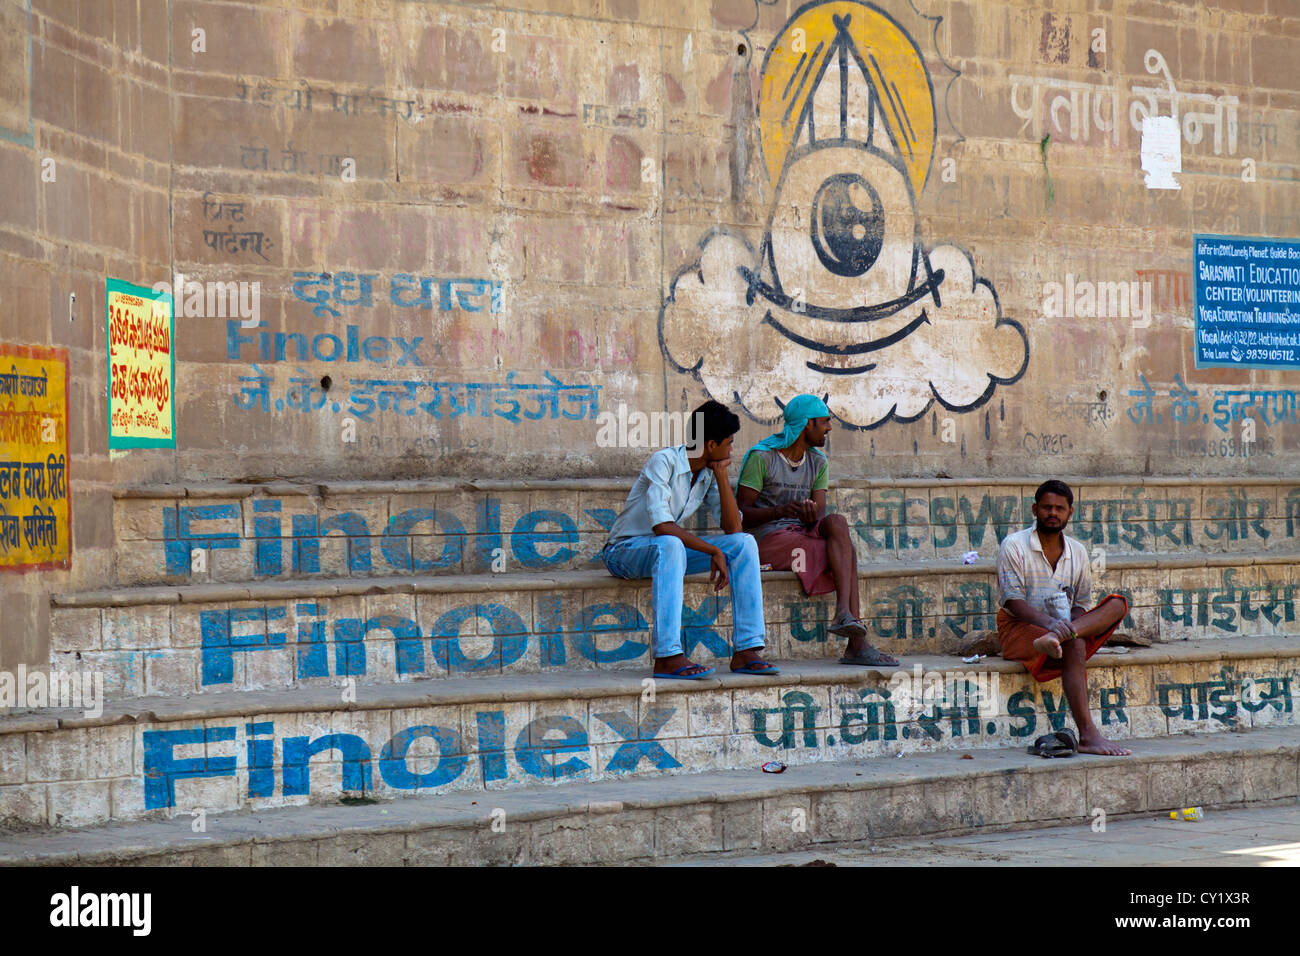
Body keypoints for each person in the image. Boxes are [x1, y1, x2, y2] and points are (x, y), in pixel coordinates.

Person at [600, 400, 778, 680]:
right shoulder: (664, 461)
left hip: (667, 553)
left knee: (744, 544)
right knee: (670, 543)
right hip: (624, 553)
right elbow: (662, 526)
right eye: (728, 443)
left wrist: (721, 474)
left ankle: (746, 650)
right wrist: (711, 551)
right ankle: (668, 656)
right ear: (710, 444)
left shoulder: (707, 473)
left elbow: (734, 528)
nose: (732, 450)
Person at [735, 394, 898, 667]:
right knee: (846, 553)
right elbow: (741, 517)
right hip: (766, 539)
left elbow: (819, 515)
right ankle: (855, 640)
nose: (829, 428)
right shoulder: (761, 457)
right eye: (825, 422)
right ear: (807, 424)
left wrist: (810, 516)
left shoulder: (818, 461)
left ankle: (845, 613)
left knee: (837, 524)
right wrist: (780, 510)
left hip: (800, 533)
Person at [996, 479, 1131, 756]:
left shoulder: (1078, 551)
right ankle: (1088, 735)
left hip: (1060, 631)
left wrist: (1063, 629)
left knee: (1117, 605)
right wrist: (1052, 626)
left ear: (1070, 513)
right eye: (1046, 507)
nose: (1052, 513)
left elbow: (1080, 605)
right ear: (1034, 509)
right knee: (1075, 642)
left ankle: (1061, 637)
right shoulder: (1014, 545)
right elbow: (1013, 601)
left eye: (1059, 508)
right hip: (1021, 629)